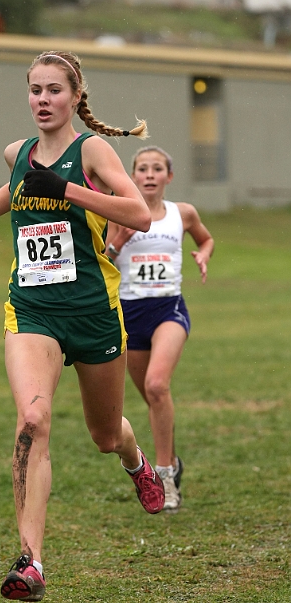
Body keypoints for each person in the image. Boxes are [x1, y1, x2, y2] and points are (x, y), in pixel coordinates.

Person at [0, 51, 165, 603]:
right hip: (31, 310)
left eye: (54, 90)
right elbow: (19, 186)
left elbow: (139, 214)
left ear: (75, 96)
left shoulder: (91, 150)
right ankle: (31, 563)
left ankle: (135, 459)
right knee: (32, 418)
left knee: (104, 434)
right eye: (34, 90)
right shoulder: (17, 152)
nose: (42, 100)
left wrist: (68, 190)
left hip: (93, 310)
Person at [105, 146, 214, 512]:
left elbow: (206, 237)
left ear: (169, 176)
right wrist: (118, 240)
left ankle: (166, 473)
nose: (149, 174)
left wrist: (203, 254)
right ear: (133, 177)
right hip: (130, 312)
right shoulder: (120, 211)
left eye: (157, 169)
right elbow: (104, 258)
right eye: (142, 169)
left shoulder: (182, 213)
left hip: (169, 308)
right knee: (152, 396)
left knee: (156, 384)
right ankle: (170, 464)